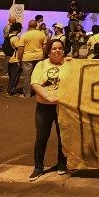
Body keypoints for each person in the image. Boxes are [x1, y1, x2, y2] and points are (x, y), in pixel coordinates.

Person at [29, 39, 70, 181]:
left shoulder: (69, 64)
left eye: (60, 48)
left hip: (62, 107)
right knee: (41, 138)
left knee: (63, 137)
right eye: (53, 49)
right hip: (44, 107)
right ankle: (38, 167)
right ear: (48, 52)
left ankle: (62, 164)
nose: (57, 51)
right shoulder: (41, 65)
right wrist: (48, 96)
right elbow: (35, 83)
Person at [17, 20, 47, 98]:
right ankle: (40, 92)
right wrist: (44, 56)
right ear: (36, 25)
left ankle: (27, 93)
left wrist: (19, 58)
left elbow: (20, 48)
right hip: (39, 56)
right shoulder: (42, 34)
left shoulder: (24, 35)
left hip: (27, 57)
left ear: (28, 25)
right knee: (38, 75)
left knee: (27, 76)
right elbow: (44, 47)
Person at [5, 22, 23, 96]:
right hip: (14, 59)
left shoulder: (9, 36)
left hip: (10, 58)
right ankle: (10, 91)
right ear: (18, 29)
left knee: (11, 75)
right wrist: (20, 59)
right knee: (15, 76)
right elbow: (19, 49)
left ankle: (10, 90)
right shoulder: (15, 38)